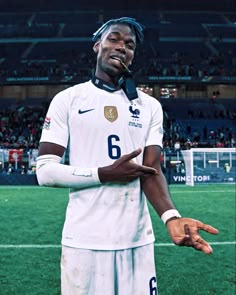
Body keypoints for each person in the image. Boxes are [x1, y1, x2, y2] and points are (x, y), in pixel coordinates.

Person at [36, 17, 219, 295]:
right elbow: (45, 171)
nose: (122, 46)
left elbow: (152, 170)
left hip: (137, 242)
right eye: (114, 39)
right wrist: (104, 173)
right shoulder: (69, 99)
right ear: (97, 45)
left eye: (129, 44)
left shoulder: (150, 107)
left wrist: (171, 217)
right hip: (84, 242)